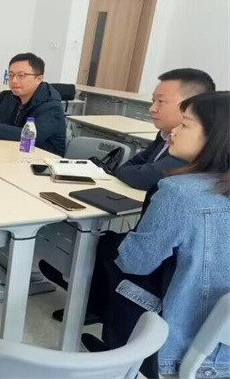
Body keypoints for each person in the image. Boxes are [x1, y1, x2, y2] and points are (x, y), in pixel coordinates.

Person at [84, 92, 230, 378]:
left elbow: (135, 263)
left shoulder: (180, 192)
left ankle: (117, 353)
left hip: (181, 347)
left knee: (112, 253)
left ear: (216, 137)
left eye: (185, 124)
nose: (174, 130)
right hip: (221, 346)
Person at [114, 68, 216, 190]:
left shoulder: (193, 144)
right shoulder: (166, 132)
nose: (152, 109)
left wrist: (130, 172)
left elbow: (143, 178)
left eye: (161, 101)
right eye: (153, 101)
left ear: (192, 104)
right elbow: (130, 167)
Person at [0, 52, 66, 156]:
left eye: (21, 75)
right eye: (11, 75)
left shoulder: (51, 106)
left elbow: (31, 136)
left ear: (39, 79)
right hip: (11, 153)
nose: (14, 81)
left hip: (41, 161)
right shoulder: (10, 97)